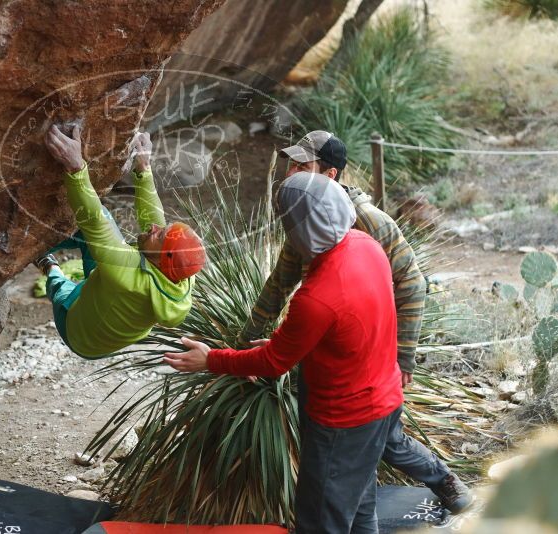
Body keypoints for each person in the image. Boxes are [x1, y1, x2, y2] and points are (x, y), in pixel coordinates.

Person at [237, 129, 471, 513]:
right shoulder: (304, 211)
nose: (291, 171)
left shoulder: (368, 223)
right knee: (321, 424)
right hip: (327, 346)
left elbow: (412, 283)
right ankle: (358, 507)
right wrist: (245, 340)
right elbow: (279, 283)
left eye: (302, 165)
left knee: (385, 437)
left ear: (329, 175)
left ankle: (441, 478)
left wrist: (403, 356)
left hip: (371, 349)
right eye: (291, 163)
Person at [165, 172, 403, 533]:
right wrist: (287, 343)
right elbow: (348, 326)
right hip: (385, 402)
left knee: (322, 519)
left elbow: (274, 364)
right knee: (358, 504)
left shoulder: (317, 296)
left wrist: (211, 358)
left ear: (298, 231)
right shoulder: (366, 246)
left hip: (344, 420)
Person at [35, 125, 205, 358]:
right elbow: (153, 221)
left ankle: (46, 261)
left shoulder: (127, 272)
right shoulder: (181, 271)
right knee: (97, 246)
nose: (155, 228)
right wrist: (143, 167)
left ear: (159, 259)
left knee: (61, 287)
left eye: (159, 235)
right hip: (108, 297)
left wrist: (75, 166)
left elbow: (94, 220)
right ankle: (46, 249)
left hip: (79, 333)